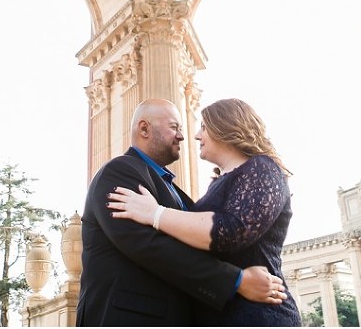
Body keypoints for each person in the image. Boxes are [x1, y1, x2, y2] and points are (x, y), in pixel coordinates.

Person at [77, 99, 288, 326]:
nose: (185, 136)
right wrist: (236, 280)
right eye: (174, 127)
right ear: (145, 129)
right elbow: (148, 244)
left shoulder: (177, 190)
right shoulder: (119, 172)